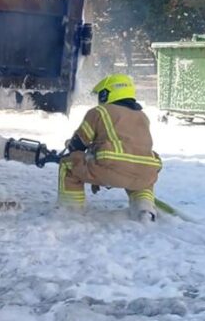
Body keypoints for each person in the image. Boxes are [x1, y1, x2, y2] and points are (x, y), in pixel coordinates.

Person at [58, 74, 162, 223]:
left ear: (107, 93)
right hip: (144, 174)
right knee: (141, 176)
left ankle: (71, 210)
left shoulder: (99, 112)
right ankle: (144, 209)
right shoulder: (143, 116)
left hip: (110, 169)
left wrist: (72, 147)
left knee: (68, 164)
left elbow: (78, 144)